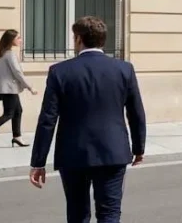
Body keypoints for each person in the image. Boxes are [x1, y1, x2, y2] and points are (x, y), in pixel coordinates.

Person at [30, 16, 147, 223]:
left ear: (78, 39)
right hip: (113, 151)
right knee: (110, 213)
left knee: (77, 214)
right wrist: (138, 148)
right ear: (103, 40)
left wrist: (38, 161)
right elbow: (136, 112)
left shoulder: (60, 71)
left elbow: (47, 119)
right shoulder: (123, 69)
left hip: (73, 153)